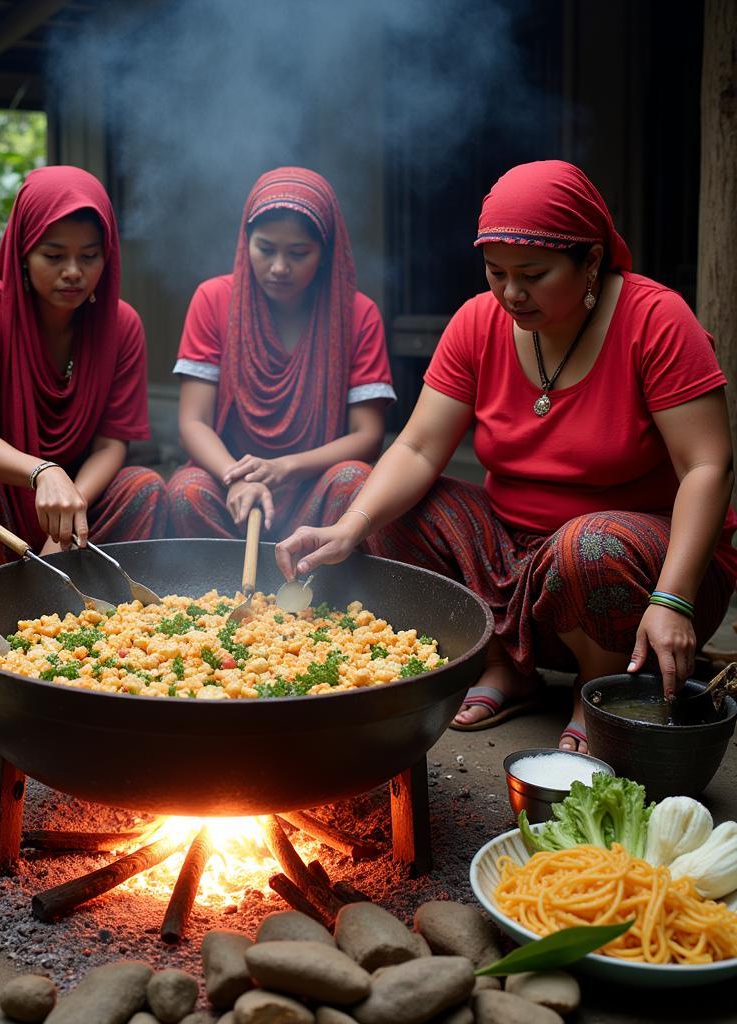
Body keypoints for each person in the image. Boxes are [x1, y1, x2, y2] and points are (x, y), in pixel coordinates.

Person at [275, 159, 737, 753]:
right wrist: (348, 528)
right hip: (510, 553)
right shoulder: (477, 322)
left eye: (534, 274)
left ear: (591, 260)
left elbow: (708, 466)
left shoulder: (656, 321)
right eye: (497, 273)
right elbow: (416, 447)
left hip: (644, 569)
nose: (512, 293)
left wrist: (674, 599)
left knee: (586, 546)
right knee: (352, 489)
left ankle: (600, 689)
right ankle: (503, 665)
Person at [0, 166, 168, 559]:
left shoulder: (122, 324)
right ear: (23, 250)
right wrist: (44, 472)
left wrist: (70, 509)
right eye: (54, 256)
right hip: (0, 492)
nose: (73, 272)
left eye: (89, 256)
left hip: (78, 498)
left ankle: (116, 614)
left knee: (144, 487)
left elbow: (111, 445)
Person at [167, 167, 394, 539]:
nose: (279, 268)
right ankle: (215, 595)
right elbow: (193, 422)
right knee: (185, 491)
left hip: (311, 485)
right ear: (246, 242)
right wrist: (236, 478)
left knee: (354, 480)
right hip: (228, 479)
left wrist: (285, 467)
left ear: (325, 251)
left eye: (298, 253)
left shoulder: (358, 314)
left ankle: (315, 592)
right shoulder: (212, 300)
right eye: (265, 248)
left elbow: (367, 435)